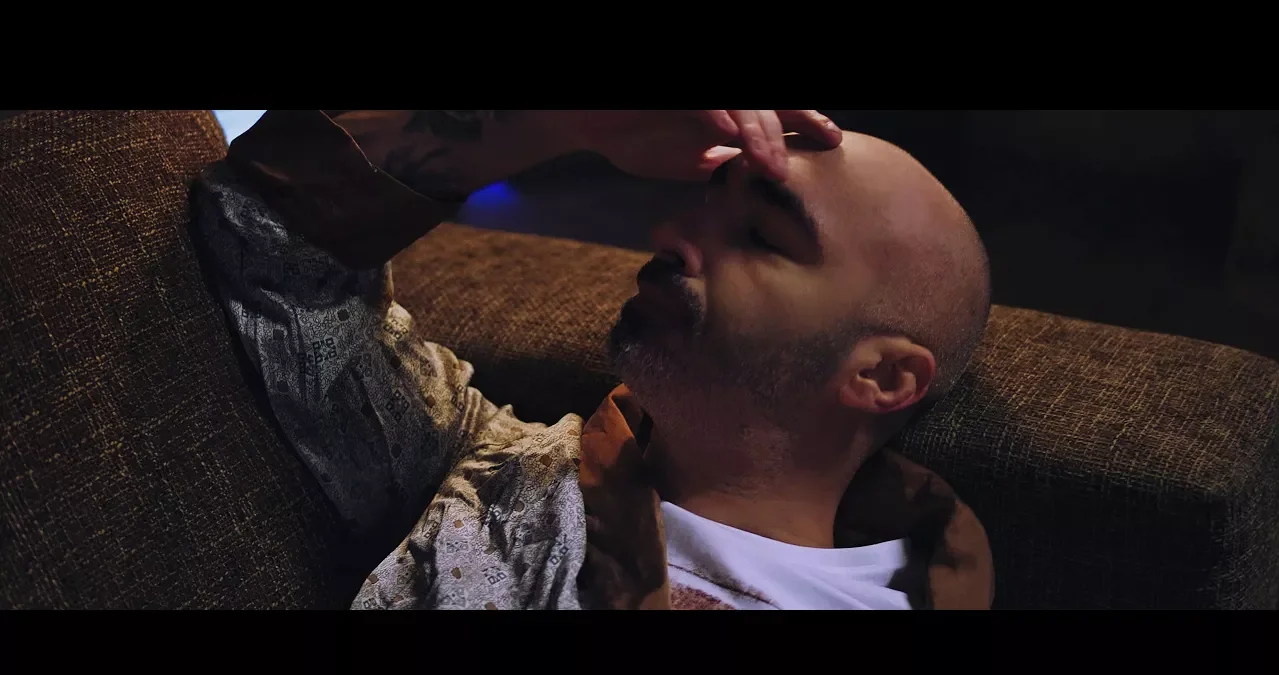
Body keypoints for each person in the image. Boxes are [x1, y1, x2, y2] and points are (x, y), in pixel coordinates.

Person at [192, 110, 994, 610]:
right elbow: (265, 240)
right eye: (705, 204)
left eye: (760, 236)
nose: (671, 236)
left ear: (884, 377)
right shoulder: (487, 474)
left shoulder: (929, 588)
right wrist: (554, 122)